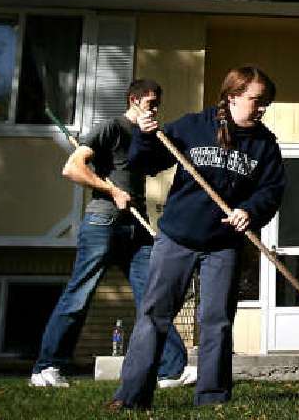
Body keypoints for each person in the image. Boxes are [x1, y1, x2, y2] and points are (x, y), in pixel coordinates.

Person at [108, 65, 287, 409]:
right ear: (233, 96)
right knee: (154, 315)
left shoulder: (264, 145)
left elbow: (272, 190)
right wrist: (145, 136)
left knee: (216, 321)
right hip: (177, 237)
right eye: (257, 100)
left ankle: (212, 398)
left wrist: (249, 210)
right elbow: (144, 163)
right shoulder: (193, 126)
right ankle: (131, 397)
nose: (263, 108)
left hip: (224, 245)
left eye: (267, 102)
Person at [30, 79, 194, 389]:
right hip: (103, 224)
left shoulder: (145, 136)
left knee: (154, 296)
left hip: (136, 226)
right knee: (80, 294)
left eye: (158, 103)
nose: (155, 109)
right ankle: (47, 367)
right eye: (150, 103)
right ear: (134, 100)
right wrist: (111, 190)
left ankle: (172, 370)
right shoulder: (112, 128)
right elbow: (72, 168)